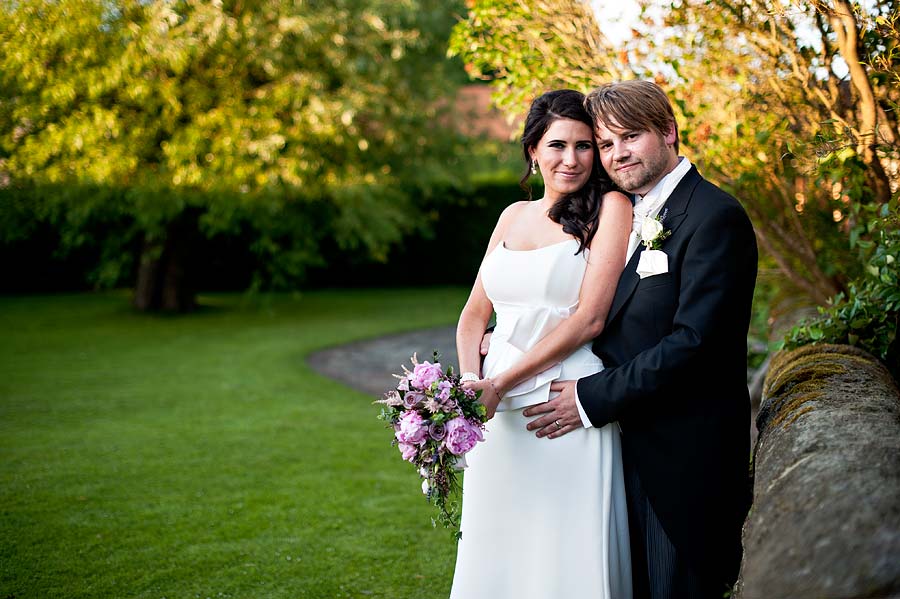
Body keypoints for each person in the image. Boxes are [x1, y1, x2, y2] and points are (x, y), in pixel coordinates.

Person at [522, 80, 758, 598]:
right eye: (605, 144)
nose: (617, 154)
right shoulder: (622, 214)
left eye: (630, 137)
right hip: (616, 455)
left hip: (682, 460)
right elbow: (592, 310)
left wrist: (590, 396)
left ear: (668, 132)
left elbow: (695, 342)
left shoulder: (714, 216)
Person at [450, 89, 633, 599]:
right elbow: (472, 317)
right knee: (496, 545)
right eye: (557, 145)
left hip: (560, 403)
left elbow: (590, 319)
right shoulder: (511, 216)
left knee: (562, 553)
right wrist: (470, 385)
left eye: (583, 146)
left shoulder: (611, 208)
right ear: (533, 149)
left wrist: (501, 381)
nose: (570, 159)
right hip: (492, 412)